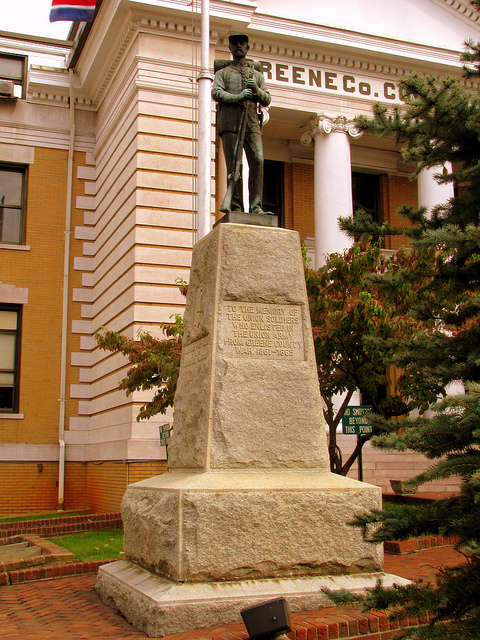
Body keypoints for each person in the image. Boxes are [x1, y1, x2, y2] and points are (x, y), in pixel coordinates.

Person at [212, 34, 272, 215]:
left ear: (247, 48)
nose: (238, 46)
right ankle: (237, 206)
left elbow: (267, 99)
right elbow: (216, 92)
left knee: (258, 160)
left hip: (252, 121)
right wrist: (237, 97)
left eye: (242, 43)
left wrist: (255, 90)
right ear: (230, 48)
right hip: (230, 122)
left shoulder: (257, 75)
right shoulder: (223, 73)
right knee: (234, 165)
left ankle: (256, 206)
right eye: (234, 43)